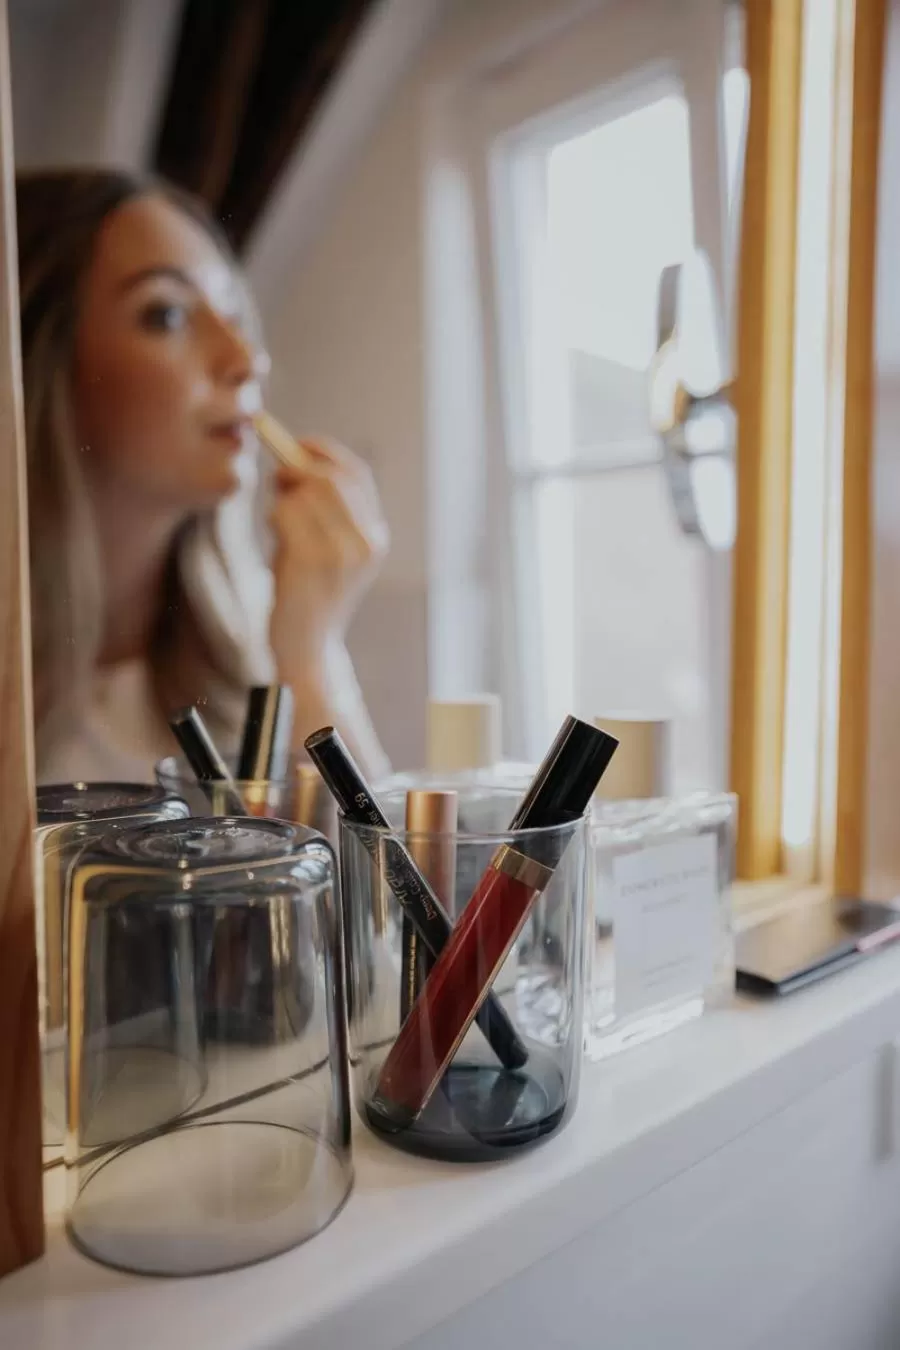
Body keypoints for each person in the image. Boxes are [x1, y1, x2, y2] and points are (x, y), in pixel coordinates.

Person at [17, 168, 390, 786]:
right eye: (166, 315)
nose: (248, 360)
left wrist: (311, 657)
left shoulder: (259, 649)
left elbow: (385, 883)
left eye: (233, 315)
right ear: (37, 362)